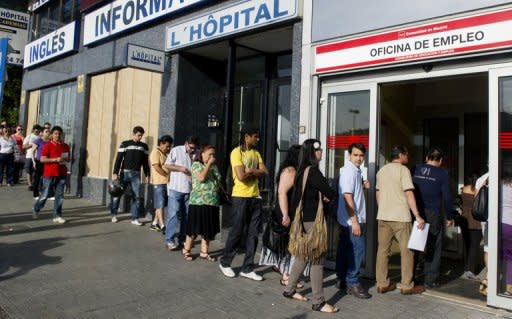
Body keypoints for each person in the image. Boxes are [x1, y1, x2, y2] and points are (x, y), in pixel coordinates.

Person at [282, 139, 338, 313]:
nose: (321, 151)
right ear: (312, 152)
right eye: (319, 148)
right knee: (317, 259)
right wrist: (327, 194)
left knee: (302, 255)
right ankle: (318, 302)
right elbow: (331, 192)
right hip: (313, 221)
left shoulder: (301, 171)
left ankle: (289, 289)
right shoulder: (313, 172)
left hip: (303, 220)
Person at [219, 125, 268, 281]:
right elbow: (240, 176)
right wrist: (255, 172)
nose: (258, 139)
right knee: (237, 230)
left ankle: (247, 268)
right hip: (240, 196)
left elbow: (265, 171)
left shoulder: (256, 153)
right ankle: (225, 262)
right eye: (255, 136)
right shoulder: (236, 152)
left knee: (253, 234)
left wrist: (251, 171)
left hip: (255, 197)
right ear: (247, 137)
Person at [375, 144, 426, 295]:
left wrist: (382, 208)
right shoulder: (404, 170)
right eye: (407, 155)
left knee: (383, 251)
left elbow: (378, 193)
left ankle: (382, 284)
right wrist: (417, 215)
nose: (408, 158)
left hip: (383, 216)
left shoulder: (382, 170)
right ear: (401, 155)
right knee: (407, 251)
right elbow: (409, 194)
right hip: (401, 217)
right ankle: (406, 285)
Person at [259, 145, 303, 286]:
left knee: (288, 245)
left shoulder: (293, 170)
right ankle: (286, 277)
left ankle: (288, 274)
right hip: (285, 212)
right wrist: (285, 215)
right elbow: (282, 192)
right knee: (286, 245)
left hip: (288, 211)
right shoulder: (290, 171)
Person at [411, 147, 454, 289]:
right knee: (434, 245)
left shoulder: (415, 168)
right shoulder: (442, 173)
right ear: (440, 161)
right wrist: (449, 216)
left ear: (426, 158)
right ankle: (431, 279)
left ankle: (409, 276)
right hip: (433, 213)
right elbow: (447, 197)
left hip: (415, 211)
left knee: (415, 244)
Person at [335, 143, 371, 299]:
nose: (359, 158)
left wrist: (362, 185)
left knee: (344, 250)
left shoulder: (355, 171)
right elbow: (347, 196)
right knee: (358, 251)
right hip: (352, 221)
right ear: (349, 155)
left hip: (346, 220)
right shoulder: (349, 171)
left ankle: (342, 279)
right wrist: (355, 221)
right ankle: (353, 283)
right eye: (355, 155)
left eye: (361, 155)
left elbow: (352, 193)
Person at [182, 144, 221, 262]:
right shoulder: (196, 165)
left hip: (212, 202)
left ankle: (204, 252)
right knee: (193, 229)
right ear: (202, 154)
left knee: (208, 230)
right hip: (198, 202)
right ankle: (186, 249)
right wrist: (208, 164)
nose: (212, 157)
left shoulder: (215, 167)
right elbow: (201, 178)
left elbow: (218, 181)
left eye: (213, 154)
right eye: (210, 154)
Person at [164, 136, 199, 250]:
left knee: (187, 216)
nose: (192, 150)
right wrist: (180, 168)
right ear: (186, 143)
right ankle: (169, 240)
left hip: (189, 189)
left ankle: (183, 239)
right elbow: (167, 165)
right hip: (175, 188)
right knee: (173, 214)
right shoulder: (176, 150)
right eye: (190, 147)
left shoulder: (197, 153)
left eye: (194, 148)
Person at [111, 126, 150, 225]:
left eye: (141, 136)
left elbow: (145, 162)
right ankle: (114, 214)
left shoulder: (144, 147)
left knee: (136, 196)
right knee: (117, 194)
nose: (140, 137)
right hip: (124, 173)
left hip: (136, 175)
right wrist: (115, 172)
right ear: (133, 134)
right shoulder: (125, 144)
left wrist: (147, 174)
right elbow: (118, 159)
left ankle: (134, 218)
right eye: (138, 135)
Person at [32, 126, 70, 223]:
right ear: (52, 135)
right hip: (49, 173)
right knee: (45, 195)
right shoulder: (47, 145)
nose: (57, 135)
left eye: (59, 134)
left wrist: (66, 159)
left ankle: (57, 215)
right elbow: (42, 159)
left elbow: (68, 158)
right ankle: (36, 208)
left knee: (60, 196)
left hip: (61, 173)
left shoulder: (65, 146)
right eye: (56, 133)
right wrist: (55, 159)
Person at [459, 173, 482, 280]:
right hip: (476, 221)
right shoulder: (481, 191)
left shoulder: (463, 189)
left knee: (467, 245)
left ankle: (466, 268)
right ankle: (470, 270)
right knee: (474, 245)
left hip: (464, 220)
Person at [149, 135, 173, 232]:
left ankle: (154, 223)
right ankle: (163, 225)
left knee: (161, 203)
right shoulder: (156, 152)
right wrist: (166, 175)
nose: (168, 148)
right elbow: (156, 167)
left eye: (170, 146)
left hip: (165, 183)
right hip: (158, 182)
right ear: (161, 144)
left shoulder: (164, 154)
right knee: (160, 205)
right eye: (167, 146)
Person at [501, 166, 512, 294]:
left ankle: (492, 281)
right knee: (510, 256)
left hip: (496, 224)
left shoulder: (498, 186)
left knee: (498, 255)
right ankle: (509, 285)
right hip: (509, 224)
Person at [31, 127, 51, 199]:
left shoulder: (50, 141)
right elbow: (32, 151)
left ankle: (47, 193)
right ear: (42, 133)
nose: (48, 133)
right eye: (46, 131)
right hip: (39, 161)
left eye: (49, 131)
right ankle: (35, 194)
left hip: (47, 161)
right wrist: (34, 162)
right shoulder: (38, 141)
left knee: (48, 178)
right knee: (37, 178)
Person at [23, 125, 41, 191]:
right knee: (29, 171)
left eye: (38, 129)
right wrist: (32, 145)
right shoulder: (29, 136)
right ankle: (30, 185)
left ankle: (35, 184)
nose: (36, 130)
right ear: (33, 129)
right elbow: (23, 146)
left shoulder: (40, 137)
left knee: (36, 171)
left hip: (37, 156)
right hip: (29, 156)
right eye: (35, 129)